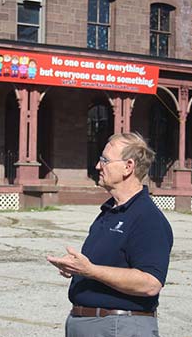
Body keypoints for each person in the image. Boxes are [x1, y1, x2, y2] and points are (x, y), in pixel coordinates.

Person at [47, 132, 173, 337]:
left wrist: (90, 270)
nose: (98, 166)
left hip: (119, 326)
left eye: (104, 160)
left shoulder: (147, 217)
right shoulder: (109, 212)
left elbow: (150, 283)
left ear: (128, 167)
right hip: (90, 323)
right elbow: (105, 266)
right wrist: (77, 268)